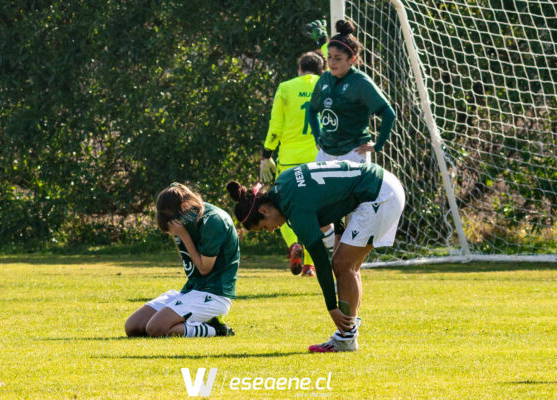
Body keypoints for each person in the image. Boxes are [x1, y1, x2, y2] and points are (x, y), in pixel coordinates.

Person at [227, 160, 405, 352]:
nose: (270, 231)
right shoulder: (284, 182)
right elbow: (333, 195)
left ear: (264, 210)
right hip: (379, 184)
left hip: (378, 195)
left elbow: (321, 261)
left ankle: (346, 338)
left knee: (343, 265)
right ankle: (348, 331)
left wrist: (332, 308)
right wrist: (338, 234)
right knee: (347, 264)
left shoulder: (295, 209)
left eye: (263, 227)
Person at [125, 183, 239, 338]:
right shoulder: (184, 215)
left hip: (214, 294)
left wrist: (184, 235)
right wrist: (178, 234)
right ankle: (191, 321)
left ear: (185, 205)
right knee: (133, 327)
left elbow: (204, 269)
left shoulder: (213, 221)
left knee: (155, 329)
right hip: (191, 290)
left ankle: (216, 329)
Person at [260, 51, 334, 277]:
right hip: (318, 157)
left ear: (299, 68)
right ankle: (310, 265)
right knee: (318, 211)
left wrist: (266, 155)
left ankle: (294, 244)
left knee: (283, 206)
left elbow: (276, 125)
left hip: (289, 159)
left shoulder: (286, 87)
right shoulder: (326, 84)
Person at [309, 20, 396, 164]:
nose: (331, 63)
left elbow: (389, 113)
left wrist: (377, 146)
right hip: (325, 152)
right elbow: (312, 110)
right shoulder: (324, 78)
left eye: (338, 58)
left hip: (353, 153)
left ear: (352, 59)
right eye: (329, 57)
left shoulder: (360, 82)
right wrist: (317, 138)